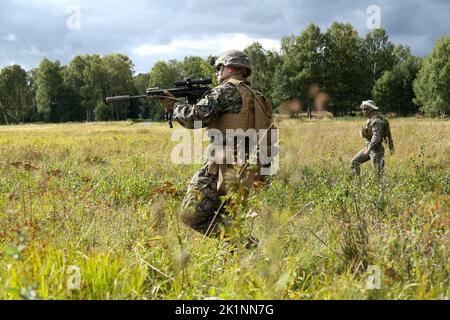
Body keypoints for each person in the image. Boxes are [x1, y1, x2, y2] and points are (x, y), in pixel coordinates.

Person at [153, 50, 274, 244]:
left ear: (230, 67)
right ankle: (240, 260)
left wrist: (173, 106)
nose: (217, 73)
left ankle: (246, 243)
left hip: (223, 165)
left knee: (189, 213)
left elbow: (195, 118)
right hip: (253, 168)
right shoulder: (259, 97)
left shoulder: (225, 90)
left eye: (219, 68)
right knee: (230, 218)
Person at [351, 100, 395, 177]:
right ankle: (356, 183)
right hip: (369, 148)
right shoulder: (370, 120)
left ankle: (382, 188)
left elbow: (376, 137)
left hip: (376, 150)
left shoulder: (377, 122)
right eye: (363, 109)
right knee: (355, 161)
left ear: (370, 110)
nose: (363, 111)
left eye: (365, 109)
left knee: (379, 174)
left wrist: (368, 149)